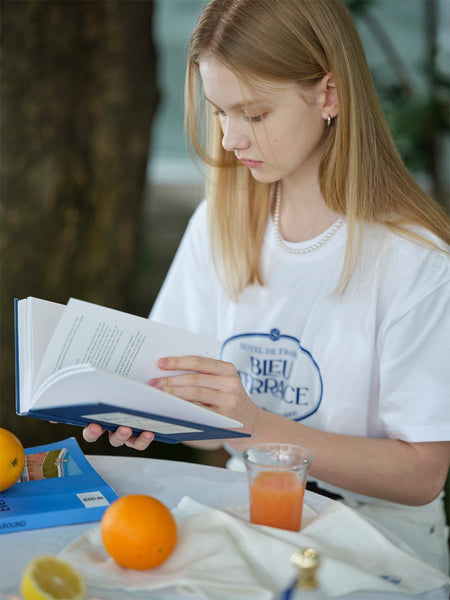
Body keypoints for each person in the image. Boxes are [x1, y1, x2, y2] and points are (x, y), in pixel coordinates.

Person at [84, 0, 450, 574]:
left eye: (253, 114)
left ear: (329, 95)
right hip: (244, 516)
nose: (229, 139)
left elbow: (423, 475)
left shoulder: (416, 260)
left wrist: (258, 428)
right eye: (219, 111)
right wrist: (149, 411)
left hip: (376, 542)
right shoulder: (219, 225)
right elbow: (197, 410)